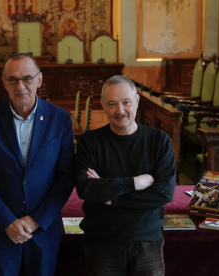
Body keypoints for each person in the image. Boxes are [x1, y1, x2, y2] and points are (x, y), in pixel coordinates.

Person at [0, 53, 75, 276]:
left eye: (27, 78)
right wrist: (8, 222)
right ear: (4, 82)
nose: (20, 86)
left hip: (43, 232)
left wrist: (36, 220)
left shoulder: (60, 119)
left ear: (40, 80)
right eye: (12, 79)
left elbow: (66, 177)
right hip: (1, 232)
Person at [75, 75, 176, 276]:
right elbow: (85, 188)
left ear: (137, 101)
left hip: (147, 240)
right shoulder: (90, 142)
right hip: (103, 241)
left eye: (126, 102)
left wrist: (111, 198)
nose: (120, 111)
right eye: (112, 104)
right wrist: (136, 182)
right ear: (103, 105)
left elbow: (163, 193)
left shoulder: (159, 140)